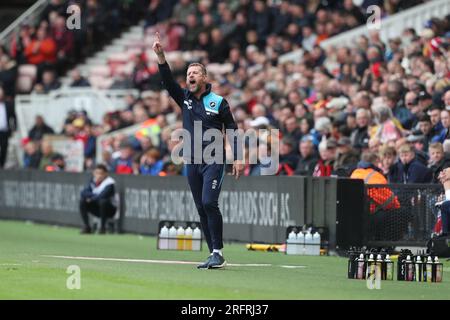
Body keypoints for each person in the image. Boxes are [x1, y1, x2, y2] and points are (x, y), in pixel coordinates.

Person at [153, 32, 243, 269]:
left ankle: (218, 251)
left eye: (194, 73)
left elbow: (232, 129)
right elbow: (168, 81)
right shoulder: (184, 98)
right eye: (188, 73)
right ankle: (214, 252)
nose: (190, 76)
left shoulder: (218, 102)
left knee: (209, 202)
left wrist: (237, 157)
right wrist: (161, 56)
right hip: (192, 160)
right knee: (201, 206)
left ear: (204, 77)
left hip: (214, 158)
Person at [79, 164, 118, 234]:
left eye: (101, 173)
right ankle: (87, 227)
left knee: (103, 201)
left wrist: (91, 198)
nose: (99, 175)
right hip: (97, 209)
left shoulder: (110, 183)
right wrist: (93, 196)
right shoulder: (92, 181)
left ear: (106, 174)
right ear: (94, 173)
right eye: (97, 173)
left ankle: (102, 228)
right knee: (83, 201)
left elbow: (103, 195)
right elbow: (83, 193)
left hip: (110, 210)